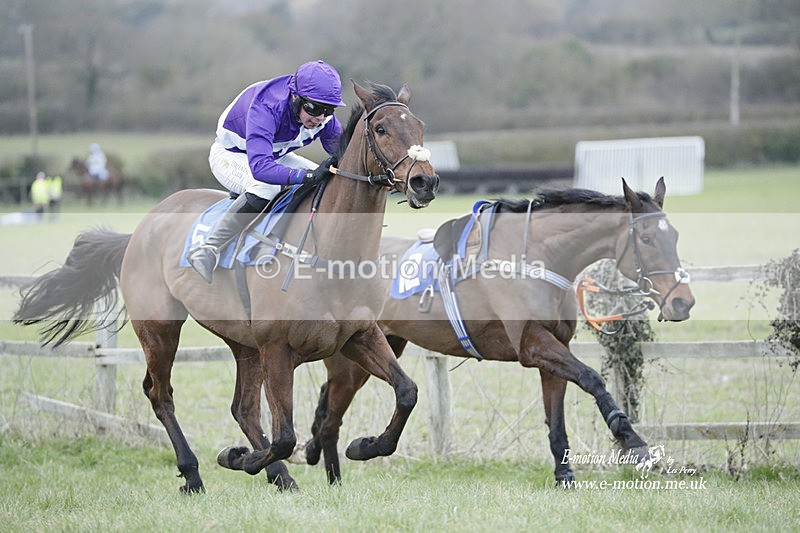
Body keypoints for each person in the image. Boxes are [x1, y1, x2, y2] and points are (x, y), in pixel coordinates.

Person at [188, 60, 346, 283]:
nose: (320, 117)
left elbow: (344, 158)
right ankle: (209, 248)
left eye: (328, 110)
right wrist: (306, 177)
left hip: (274, 155)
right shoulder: (267, 107)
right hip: (231, 154)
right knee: (266, 185)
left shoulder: (323, 117)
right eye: (314, 108)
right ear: (295, 98)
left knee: (330, 181)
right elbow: (261, 168)